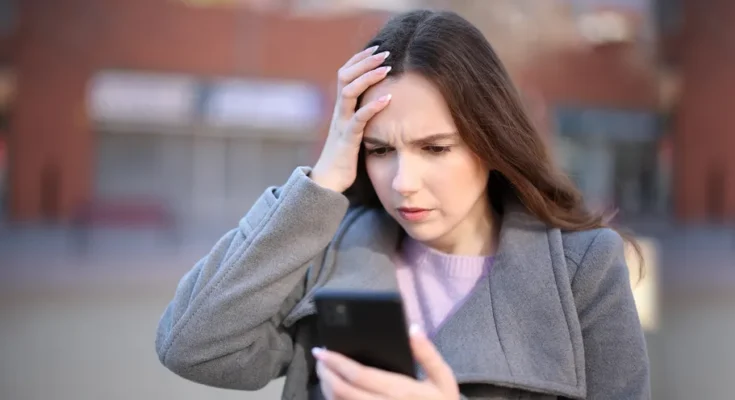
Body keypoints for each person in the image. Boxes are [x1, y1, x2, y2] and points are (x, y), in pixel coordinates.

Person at [156, 9, 650, 400]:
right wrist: (322, 181)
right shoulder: (326, 253)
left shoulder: (582, 270)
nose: (404, 183)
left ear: (492, 142)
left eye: (435, 148)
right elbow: (191, 346)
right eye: (380, 150)